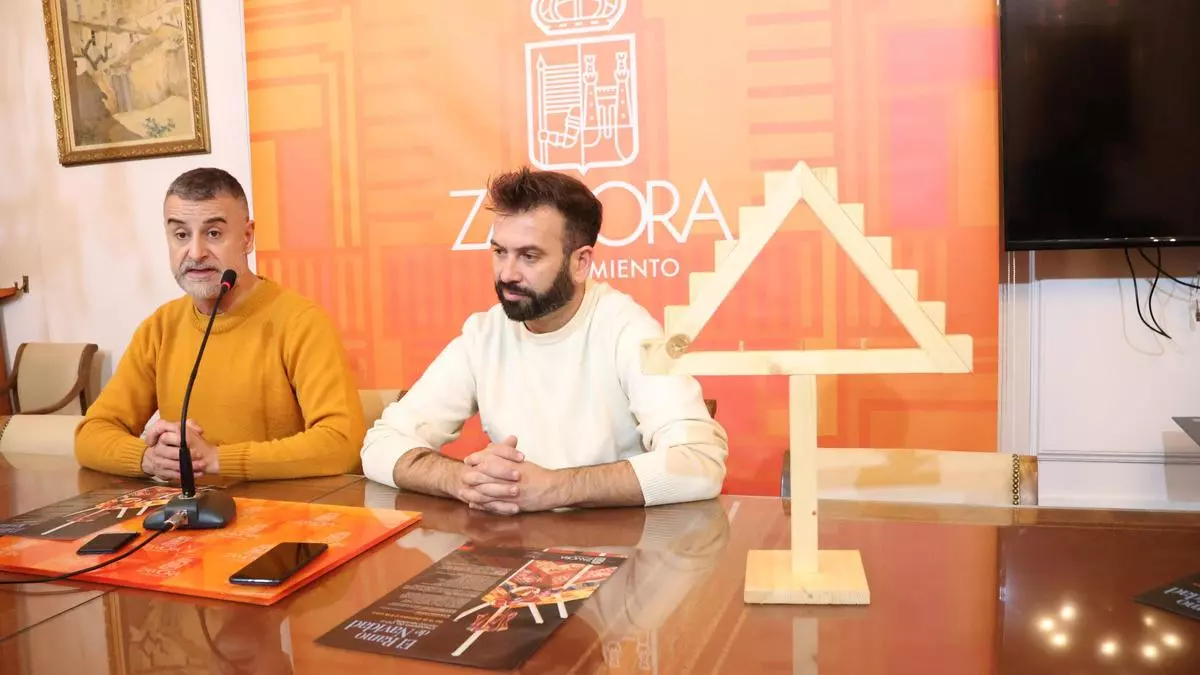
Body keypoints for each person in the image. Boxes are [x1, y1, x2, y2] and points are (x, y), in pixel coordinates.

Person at [360, 167, 728, 513]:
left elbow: (700, 461)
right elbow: (381, 443)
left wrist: (555, 488)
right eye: (500, 252)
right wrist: (462, 480)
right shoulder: (484, 335)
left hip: (622, 547)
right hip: (511, 545)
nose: (507, 273)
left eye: (529, 256)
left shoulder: (627, 329)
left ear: (580, 263)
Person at [75, 168, 364, 481]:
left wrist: (216, 459)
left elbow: (342, 443)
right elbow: (91, 434)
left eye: (213, 234)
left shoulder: (301, 322)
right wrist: (149, 459)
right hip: (190, 507)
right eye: (181, 235)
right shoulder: (160, 327)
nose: (196, 253)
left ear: (247, 237)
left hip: (280, 507)